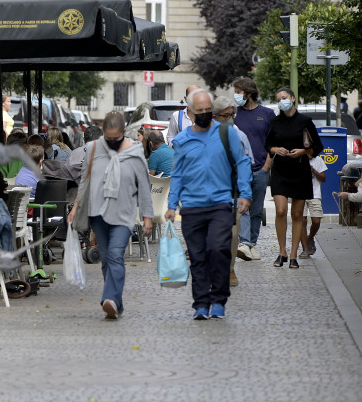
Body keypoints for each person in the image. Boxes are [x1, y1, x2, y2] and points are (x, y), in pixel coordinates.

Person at [165, 89, 251, 320]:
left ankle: (219, 299)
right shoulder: (182, 139)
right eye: (199, 111)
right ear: (191, 113)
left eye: (207, 110)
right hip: (192, 207)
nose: (204, 114)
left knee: (218, 249)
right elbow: (178, 174)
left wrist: (245, 192)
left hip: (221, 203)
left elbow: (242, 162)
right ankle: (201, 304)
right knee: (198, 255)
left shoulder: (226, 133)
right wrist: (172, 205)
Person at [67, 112, 152, 320]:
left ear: (124, 132)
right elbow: (85, 181)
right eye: (108, 138)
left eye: (116, 139)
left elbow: (144, 186)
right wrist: (76, 206)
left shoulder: (134, 152)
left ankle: (109, 298)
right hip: (98, 212)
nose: (111, 142)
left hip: (124, 213)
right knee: (105, 259)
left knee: (115, 255)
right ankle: (116, 303)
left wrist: (147, 216)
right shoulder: (94, 148)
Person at [266, 86, 323, 268]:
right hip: (280, 170)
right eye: (278, 99)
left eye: (284, 97)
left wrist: (303, 151)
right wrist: (276, 150)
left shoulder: (305, 121)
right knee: (281, 211)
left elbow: (318, 147)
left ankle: (292, 255)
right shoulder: (275, 122)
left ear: (292, 98)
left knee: (297, 214)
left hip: (300, 170)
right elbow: (268, 144)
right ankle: (281, 251)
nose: (281, 101)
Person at [212, 95, 254, 287]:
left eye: (231, 115)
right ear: (214, 116)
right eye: (225, 115)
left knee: (232, 235)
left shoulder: (240, 136)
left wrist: (246, 193)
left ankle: (229, 269)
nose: (229, 119)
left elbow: (247, 165)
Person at [233, 76, 275, 261]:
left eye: (238, 92)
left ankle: (252, 243)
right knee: (242, 206)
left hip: (260, 168)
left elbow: (272, 141)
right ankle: (244, 243)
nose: (236, 96)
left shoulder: (267, 114)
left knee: (257, 209)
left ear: (249, 93)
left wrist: (267, 165)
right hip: (240, 169)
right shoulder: (234, 114)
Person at [300, 156, 326, 258]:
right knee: (302, 221)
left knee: (316, 221)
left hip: (314, 194)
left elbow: (323, 178)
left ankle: (310, 238)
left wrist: (314, 171)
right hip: (300, 194)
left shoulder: (318, 160)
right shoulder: (298, 158)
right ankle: (305, 249)